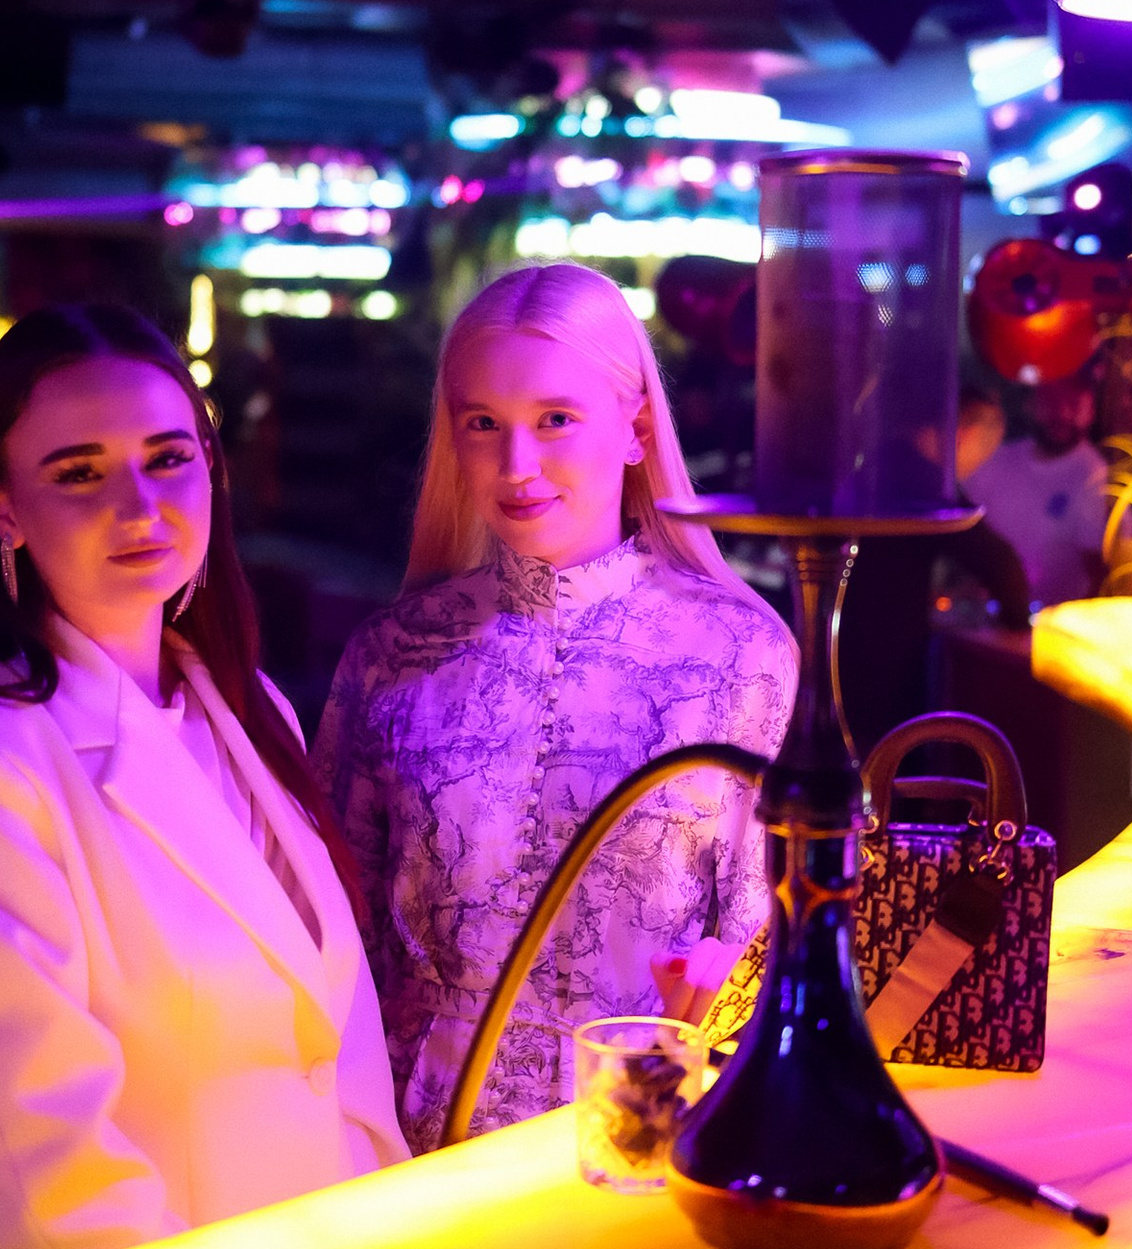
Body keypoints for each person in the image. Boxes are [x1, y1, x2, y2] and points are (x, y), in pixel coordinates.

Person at [0, 301, 406, 1249]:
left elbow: (337, 1058)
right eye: (80, 473)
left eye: (168, 458)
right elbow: (41, 1191)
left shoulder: (246, 709)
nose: (141, 506)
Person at [315, 263, 798, 1153]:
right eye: (483, 424)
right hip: (412, 1148)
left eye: (555, 420)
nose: (517, 466)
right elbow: (335, 945)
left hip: (645, 1135)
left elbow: (764, 944)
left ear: (636, 428)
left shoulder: (740, 654)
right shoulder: (391, 655)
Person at [835, 387, 1033, 756]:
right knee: (886, 770)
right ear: (965, 435)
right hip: (881, 667)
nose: (973, 468)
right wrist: (1018, 625)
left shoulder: (883, 464)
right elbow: (999, 562)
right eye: (982, 454)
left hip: (843, 650)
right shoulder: (923, 482)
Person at [964, 366, 1110, 611]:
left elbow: (1100, 575)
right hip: (986, 617)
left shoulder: (1097, 477)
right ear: (1029, 405)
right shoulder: (999, 458)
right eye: (1050, 401)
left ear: (1091, 411)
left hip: (1055, 623)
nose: (1061, 413)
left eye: (1073, 403)